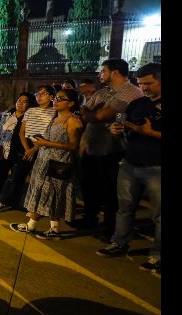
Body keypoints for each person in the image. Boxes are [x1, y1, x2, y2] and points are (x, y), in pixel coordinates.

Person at [96, 63, 161, 272]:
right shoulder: (137, 104)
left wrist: (151, 133)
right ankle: (119, 243)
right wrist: (116, 129)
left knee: (158, 215)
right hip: (130, 163)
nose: (144, 88)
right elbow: (121, 122)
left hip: (157, 167)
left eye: (149, 83)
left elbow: (145, 131)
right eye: (141, 84)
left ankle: (157, 255)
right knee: (124, 208)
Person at [79, 59, 144, 241]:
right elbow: (86, 113)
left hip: (112, 149)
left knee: (110, 193)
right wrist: (89, 115)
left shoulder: (131, 93)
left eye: (103, 71)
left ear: (114, 72)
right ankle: (89, 219)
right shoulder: (102, 92)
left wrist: (90, 114)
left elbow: (100, 115)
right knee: (90, 187)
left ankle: (109, 229)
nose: (100, 74)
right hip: (93, 146)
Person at [10, 88, 84, 239]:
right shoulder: (55, 118)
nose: (56, 100)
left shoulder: (73, 121)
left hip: (58, 163)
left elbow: (73, 146)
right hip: (44, 160)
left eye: (60, 98)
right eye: (55, 98)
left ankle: (32, 225)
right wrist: (42, 142)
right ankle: (53, 229)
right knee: (46, 193)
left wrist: (47, 143)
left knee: (51, 194)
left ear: (71, 103)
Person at [0, 92, 35, 211]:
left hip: (18, 151)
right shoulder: (6, 114)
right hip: (2, 149)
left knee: (16, 178)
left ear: (30, 105)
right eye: (19, 100)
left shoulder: (29, 118)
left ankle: (10, 201)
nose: (20, 103)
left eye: (25, 101)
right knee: (0, 173)